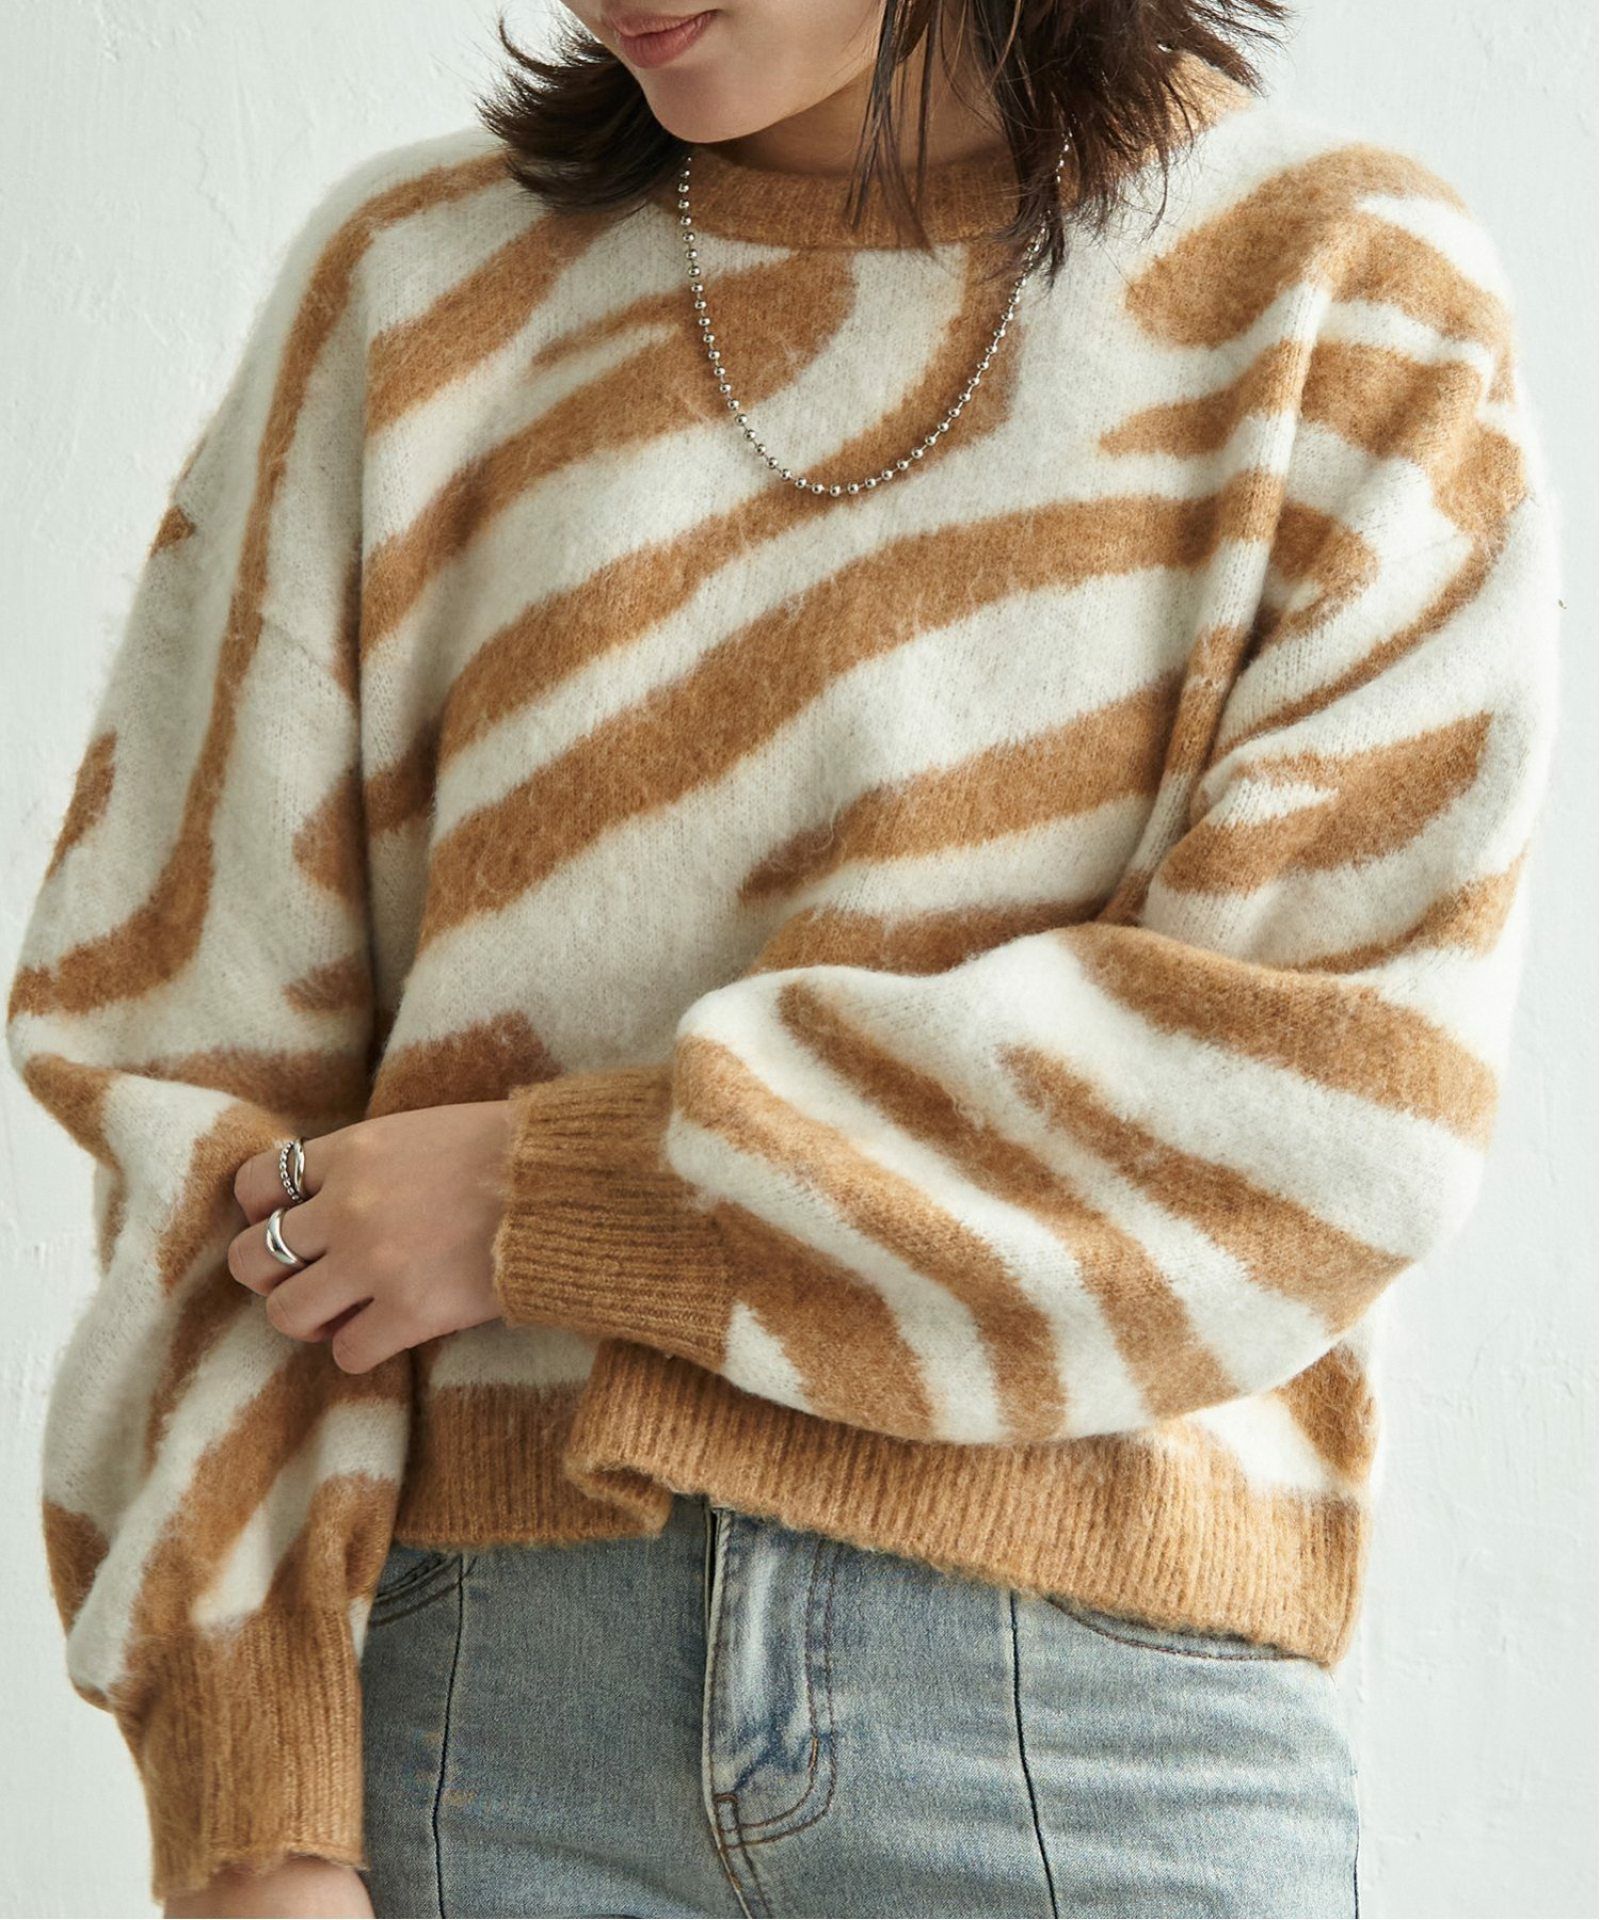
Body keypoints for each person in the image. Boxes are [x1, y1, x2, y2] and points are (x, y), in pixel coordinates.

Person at [6, 0, 1562, 1914]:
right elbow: (197, 1073)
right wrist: (255, 1809)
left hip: (1092, 1732)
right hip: (480, 1722)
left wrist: (546, 1196)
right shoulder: (415, 293)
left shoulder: (1334, 290)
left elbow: (1326, 1108)